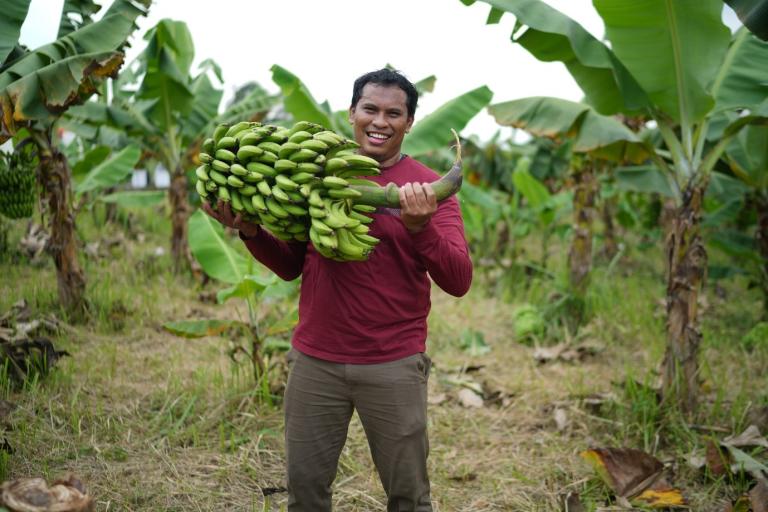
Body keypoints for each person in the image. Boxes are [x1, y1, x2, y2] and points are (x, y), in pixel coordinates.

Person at [203, 68, 472, 511]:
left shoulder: (428, 189)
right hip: (315, 362)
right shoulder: (318, 171)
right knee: (305, 491)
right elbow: (292, 265)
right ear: (352, 113)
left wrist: (421, 228)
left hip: (394, 364)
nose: (379, 121)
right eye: (370, 109)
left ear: (409, 122)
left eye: (393, 113)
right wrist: (250, 230)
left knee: (408, 495)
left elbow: (459, 280)